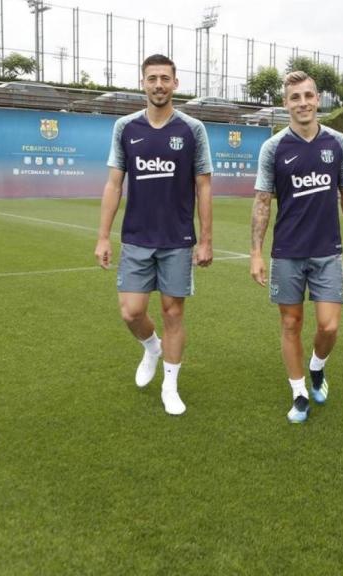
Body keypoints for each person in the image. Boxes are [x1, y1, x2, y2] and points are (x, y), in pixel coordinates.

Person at [94, 54, 213, 416]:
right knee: (131, 312)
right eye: (152, 78)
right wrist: (103, 236)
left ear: (176, 83)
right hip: (136, 238)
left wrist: (205, 238)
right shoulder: (126, 128)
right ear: (142, 83)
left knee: (173, 312)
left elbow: (204, 186)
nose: (158, 84)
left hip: (177, 239)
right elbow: (114, 184)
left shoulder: (192, 129)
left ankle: (170, 385)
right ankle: (151, 347)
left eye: (165, 78)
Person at [250, 70, 343, 424]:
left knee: (328, 327)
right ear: (286, 103)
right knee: (291, 324)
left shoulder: (337, 143)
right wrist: (256, 252)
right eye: (295, 97)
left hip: (327, 251)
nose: (303, 103)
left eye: (308, 96)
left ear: (318, 99)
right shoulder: (274, 148)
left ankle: (317, 367)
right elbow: (262, 202)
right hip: (287, 252)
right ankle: (299, 392)